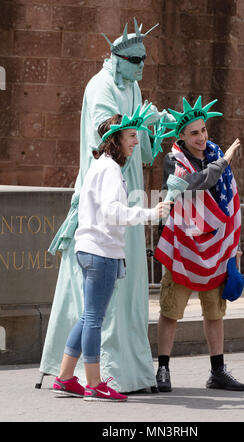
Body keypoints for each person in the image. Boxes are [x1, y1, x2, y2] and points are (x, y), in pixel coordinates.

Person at [39, 18, 172, 393]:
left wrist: (154, 126)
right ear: (116, 58)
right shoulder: (101, 87)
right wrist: (150, 211)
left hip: (120, 206)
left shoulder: (132, 86)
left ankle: (79, 375)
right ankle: (98, 378)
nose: (142, 65)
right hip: (105, 215)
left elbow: (138, 141)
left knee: (104, 304)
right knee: (96, 310)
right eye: (135, 59)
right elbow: (106, 128)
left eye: (144, 59)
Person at [52, 113, 172, 401]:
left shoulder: (102, 166)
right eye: (131, 135)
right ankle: (94, 383)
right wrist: (149, 213)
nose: (136, 140)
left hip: (92, 249)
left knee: (88, 317)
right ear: (115, 139)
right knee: (94, 318)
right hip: (100, 251)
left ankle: (66, 378)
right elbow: (112, 212)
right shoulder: (109, 170)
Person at [154, 96, 244, 392]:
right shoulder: (173, 161)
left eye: (204, 130)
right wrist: (225, 160)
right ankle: (163, 369)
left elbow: (229, 200)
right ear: (181, 136)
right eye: (194, 133)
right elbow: (197, 182)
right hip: (183, 246)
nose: (201, 137)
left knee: (215, 312)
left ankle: (217, 371)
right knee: (170, 310)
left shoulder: (214, 154)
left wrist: (233, 243)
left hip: (217, 247)